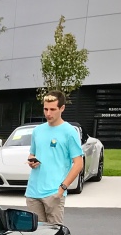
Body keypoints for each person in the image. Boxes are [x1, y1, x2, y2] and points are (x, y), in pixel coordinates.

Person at [25, 90, 84, 225]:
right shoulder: (37, 131)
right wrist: (31, 160)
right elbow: (32, 153)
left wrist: (62, 188)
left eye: (52, 109)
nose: (48, 113)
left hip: (54, 192)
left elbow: (78, 163)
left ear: (62, 108)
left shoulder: (69, 132)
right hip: (33, 192)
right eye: (45, 109)